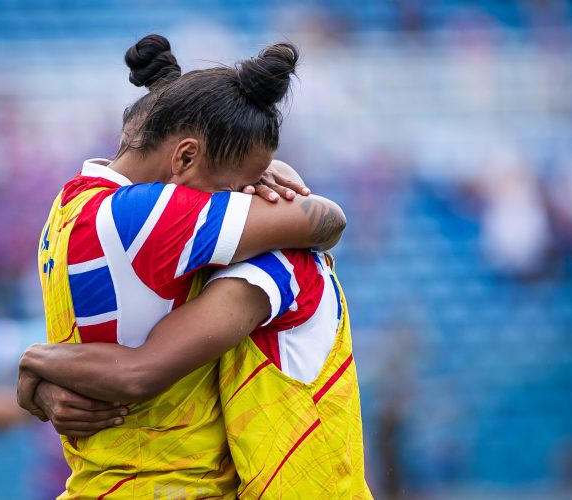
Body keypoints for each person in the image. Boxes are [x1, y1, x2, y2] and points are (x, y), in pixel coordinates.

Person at [21, 34, 347, 498]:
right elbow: (327, 220)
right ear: (186, 157)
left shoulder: (68, 207)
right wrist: (288, 185)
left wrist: (35, 372)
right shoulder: (146, 215)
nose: (248, 195)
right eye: (238, 185)